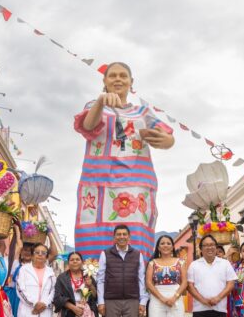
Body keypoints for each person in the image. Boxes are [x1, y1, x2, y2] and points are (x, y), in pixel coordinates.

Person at [73, 62, 174, 259]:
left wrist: (168, 140)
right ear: (104, 81)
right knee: (95, 233)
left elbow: (166, 135)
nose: (118, 79)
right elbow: (87, 125)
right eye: (112, 75)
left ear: (131, 82)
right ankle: (94, 276)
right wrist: (101, 102)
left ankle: (137, 276)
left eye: (123, 76)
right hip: (98, 182)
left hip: (136, 182)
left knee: (134, 237)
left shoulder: (142, 112)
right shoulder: (95, 106)